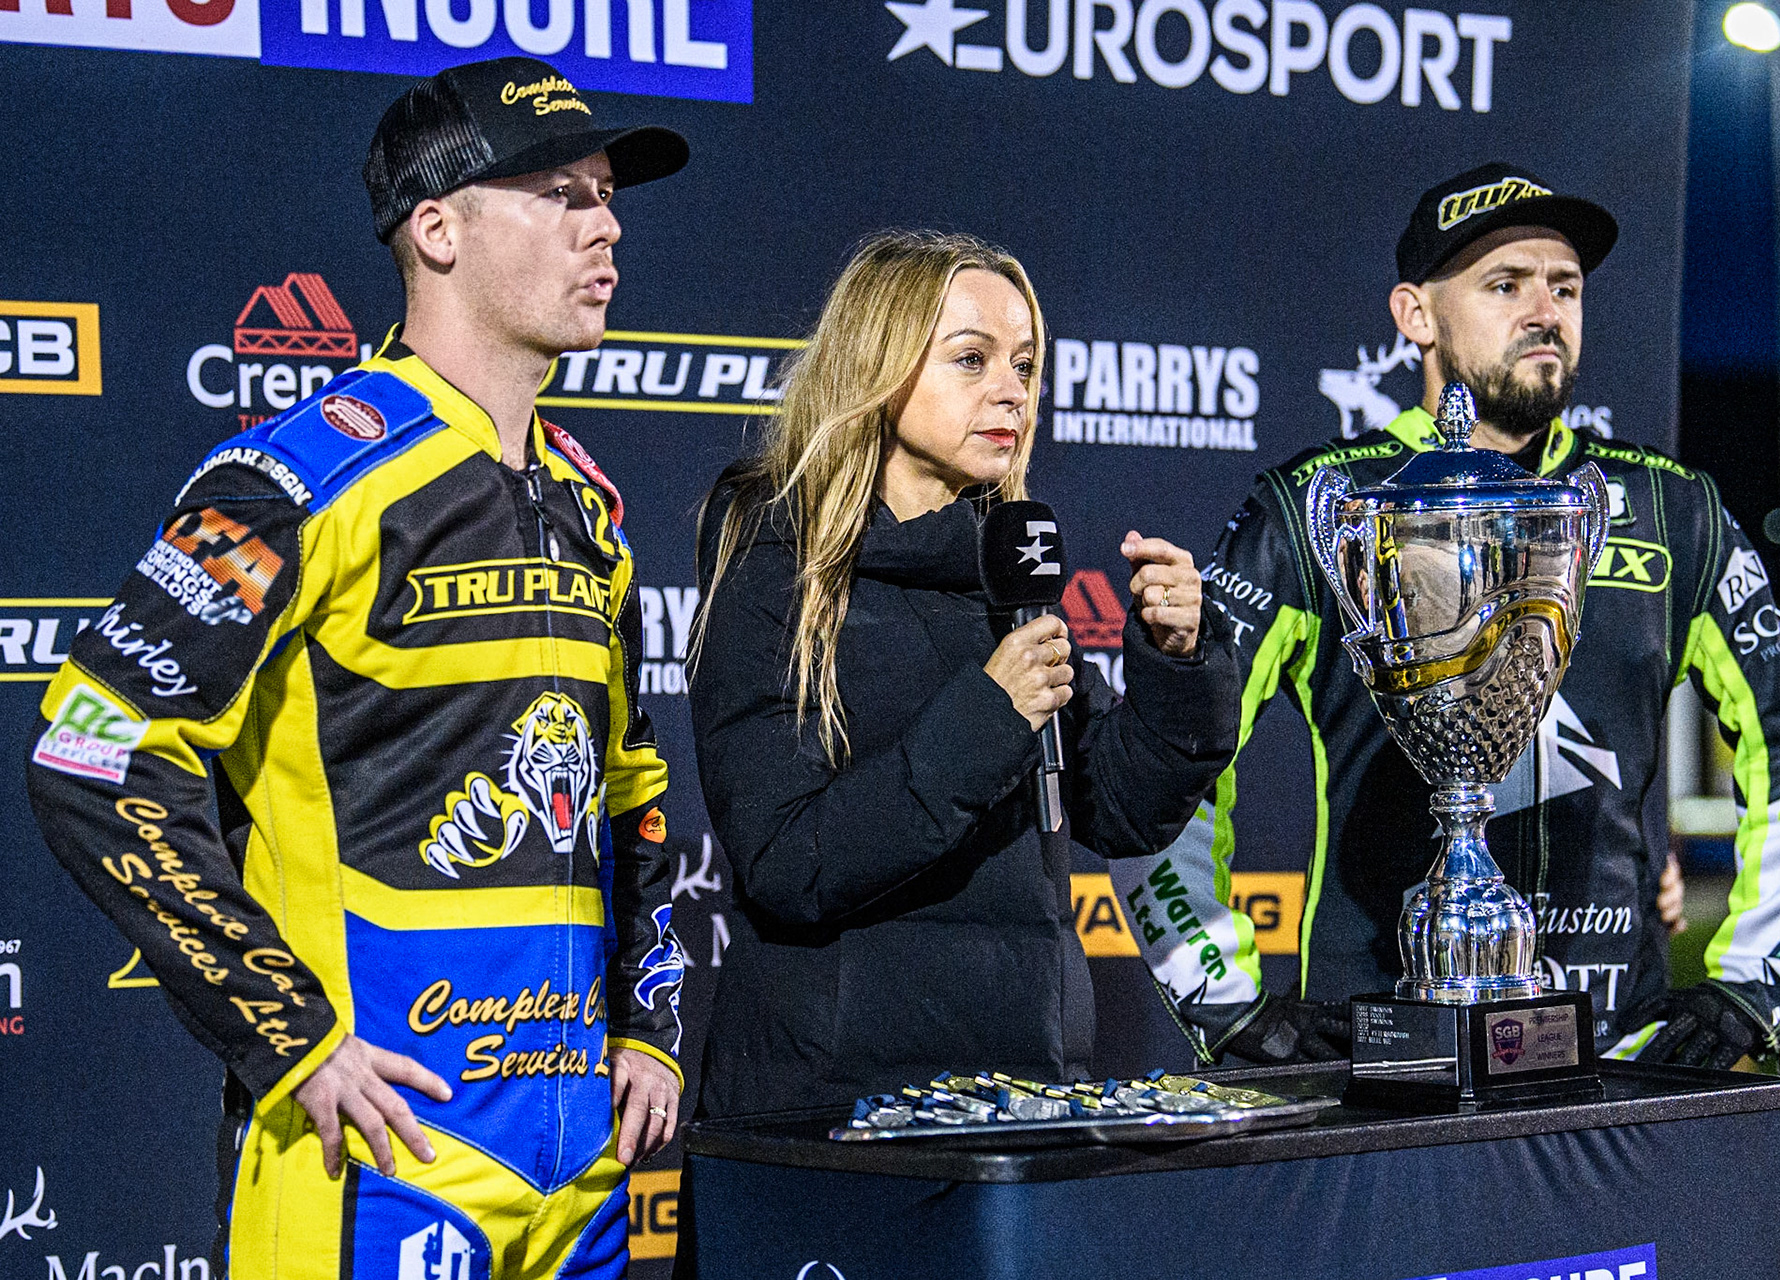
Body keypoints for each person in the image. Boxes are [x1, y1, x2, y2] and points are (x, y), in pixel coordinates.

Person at [26, 57, 690, 1278]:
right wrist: (289, 1034)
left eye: (606, 193)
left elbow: (631, 784)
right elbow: (91, 752)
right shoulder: (299, 478)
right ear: (436, 228)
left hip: (576, 1175)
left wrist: (648, 1022)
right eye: (558, 192)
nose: (605, 224)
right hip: (371, 1164)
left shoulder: (591, 507)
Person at [1110, 163, 1780, 1072]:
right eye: (1506, 284)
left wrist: (1754, 984)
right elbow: (1162, 761)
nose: (1545, 309)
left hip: (1616, 1053)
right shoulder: (1324, 508)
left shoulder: (1671, 508)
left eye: (1565, 286)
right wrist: (1223, 1001)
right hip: (1382, 1058)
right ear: (1415, 315)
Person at [685, 231, 1240, 1119]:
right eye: (972, 359)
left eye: (1023, 364)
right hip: (836, 1104)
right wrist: (989, 714)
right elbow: (787, 861)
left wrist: (1179, 663)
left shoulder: (1008, 564)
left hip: (1018, 1089)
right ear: (880, 365)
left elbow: (1122, 810)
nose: (1012, 390)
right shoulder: (775, 558)